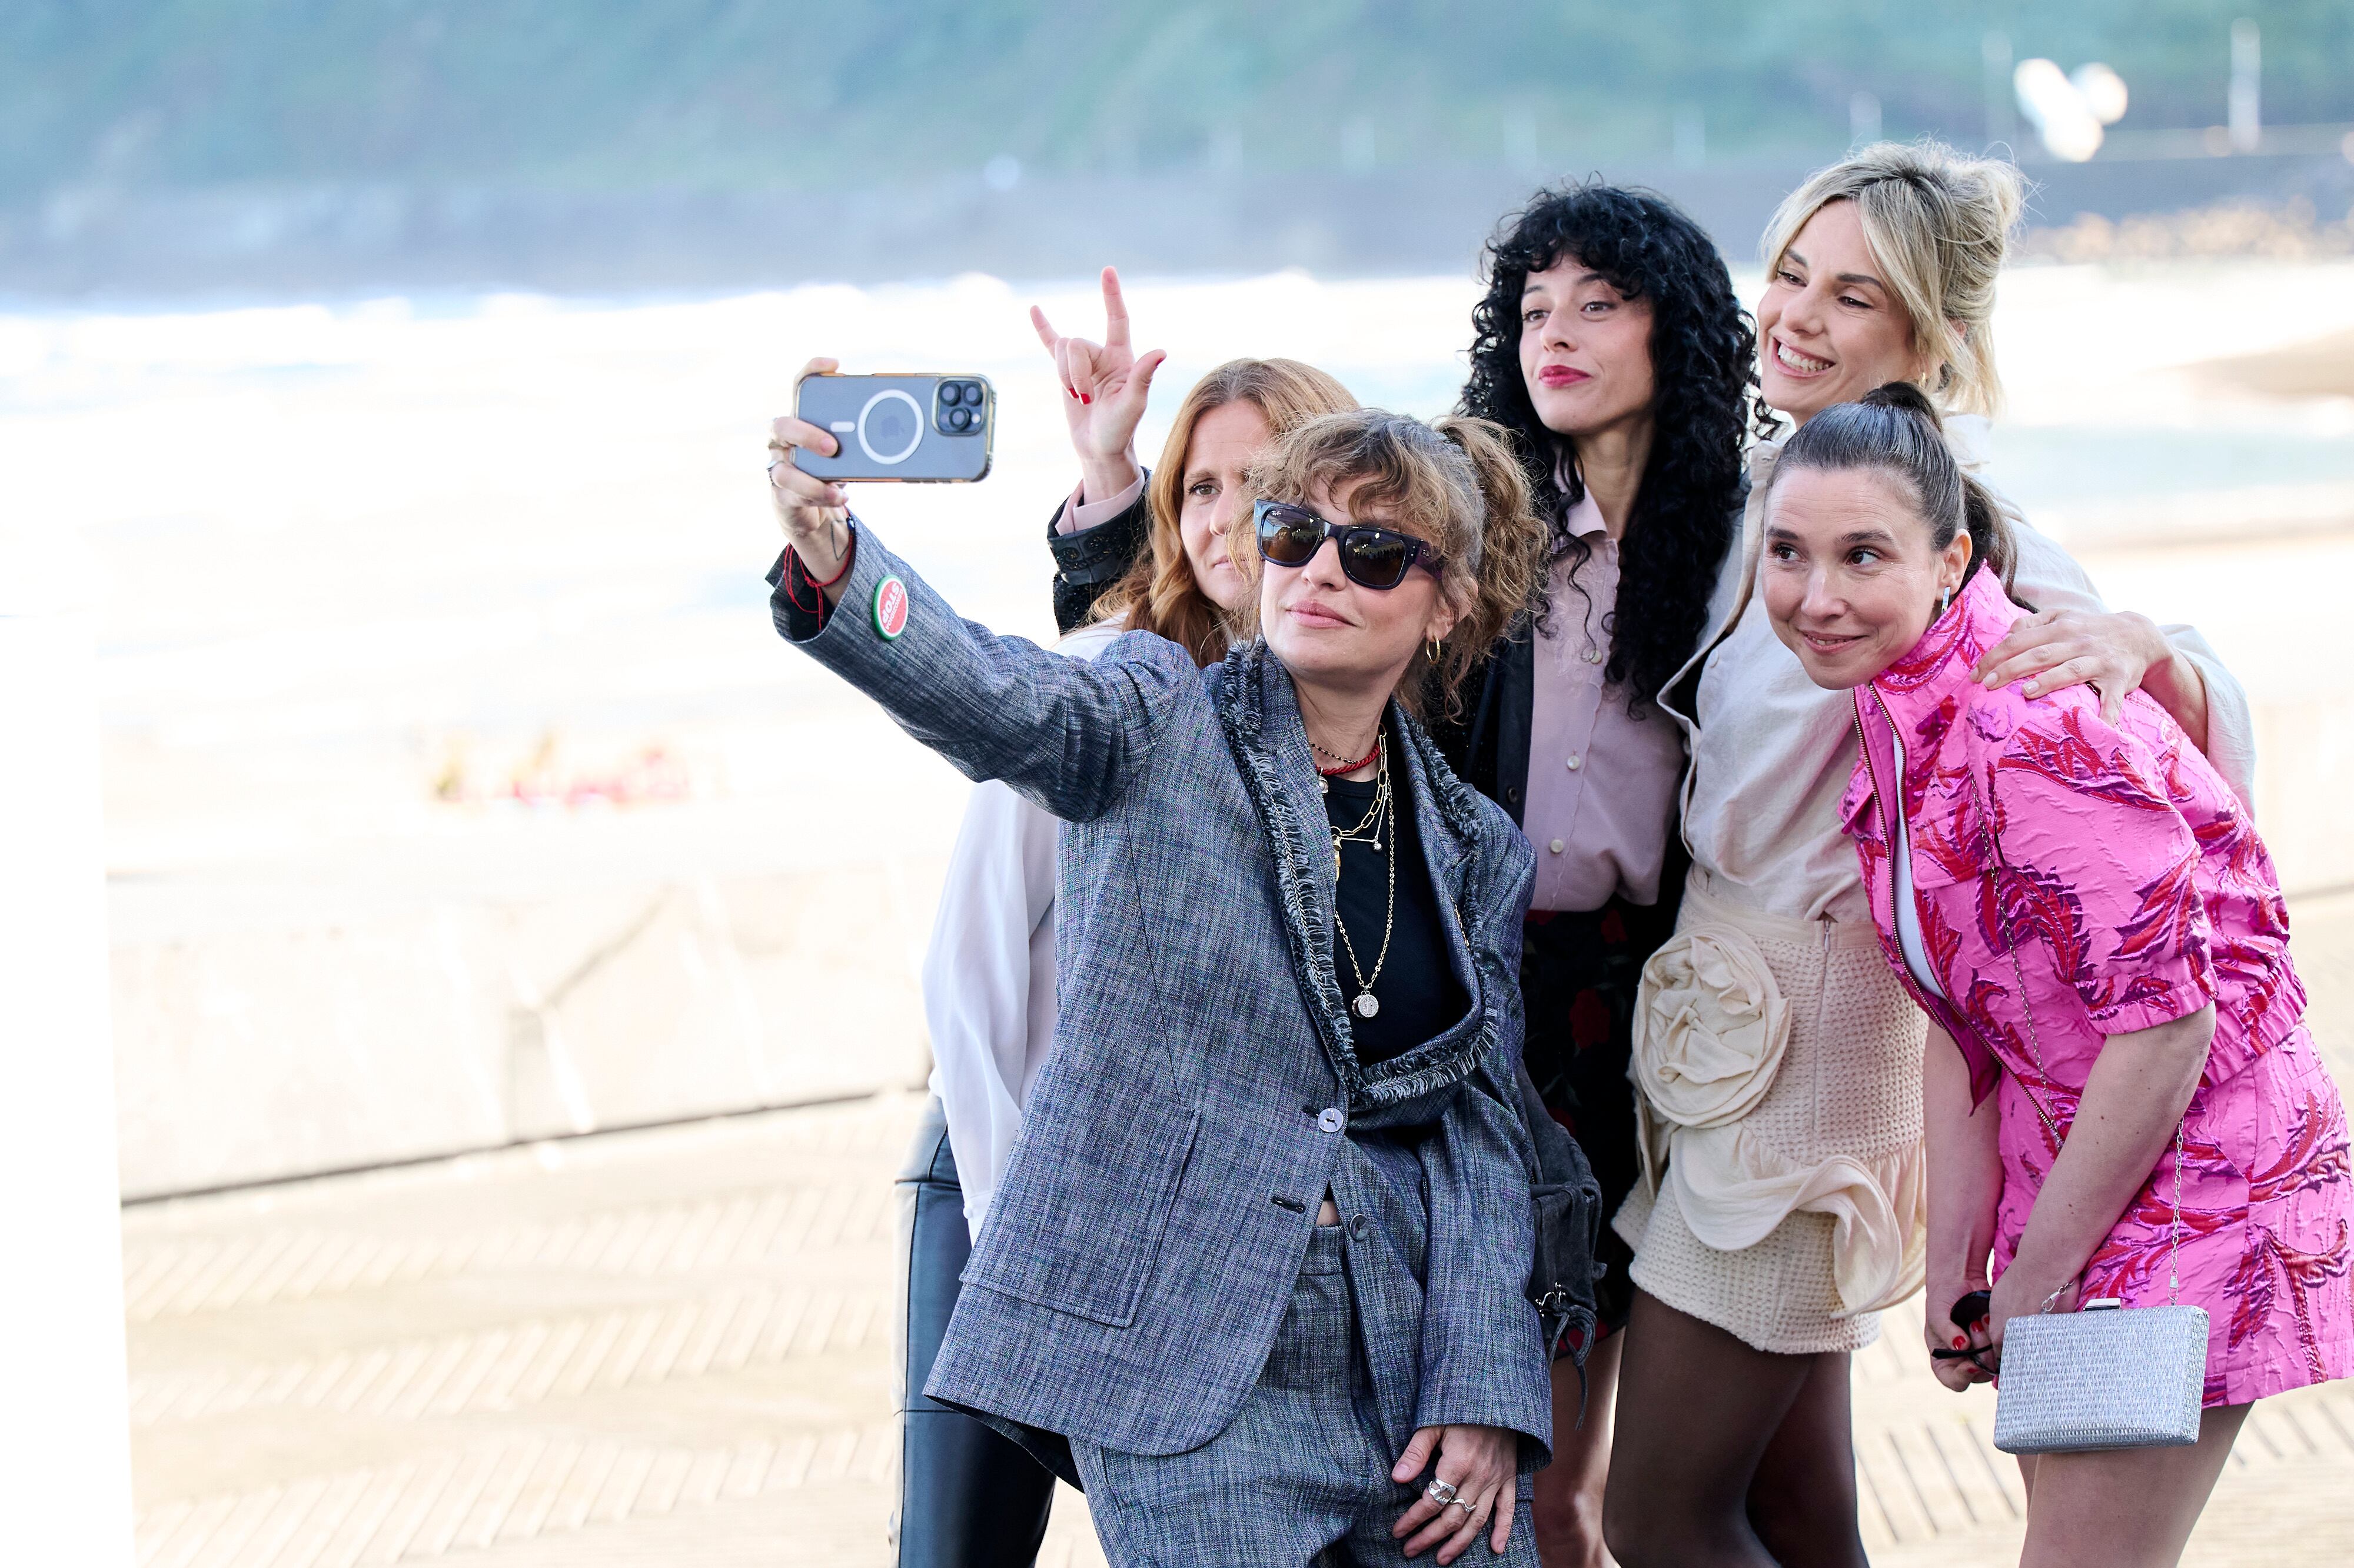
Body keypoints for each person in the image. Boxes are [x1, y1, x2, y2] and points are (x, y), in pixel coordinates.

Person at [769, 379, 1574, 1566]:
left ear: (1446, 602)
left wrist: (1487, 1388)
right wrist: (833, 559)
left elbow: (1481, 1140)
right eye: (1293, 532)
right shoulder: (1153, 720)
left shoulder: (1471, 849)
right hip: (1183, 1363)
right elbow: (992, 692)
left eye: (1372, 551)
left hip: (1411, 1381)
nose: (1318, 570)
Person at [1601, 140, 2260, 1568]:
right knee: (1791, 1509)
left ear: (1930, 338)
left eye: (1851, 295)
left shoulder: (1954, 520)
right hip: (1717, 1020)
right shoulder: (1766, 487)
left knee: (1653, 1515)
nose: (1796, 315)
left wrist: (2148, 645)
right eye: (1787, 274)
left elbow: (2164, 726)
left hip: (1816, 1034)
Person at [1764, 381, 2349, 1567]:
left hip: (2195, 1179)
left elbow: (2166, 1025)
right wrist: (1955, 1264)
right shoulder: (1897, 708)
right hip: (2079, 1164)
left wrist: (2034, 1273)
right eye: (1786, 552)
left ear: (1950, 560)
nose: (1814, 596)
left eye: (1859, 554)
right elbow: (1956, 1015)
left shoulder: (2020, 724)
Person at [895, 274, 1358, 1568]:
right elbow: (969, 980)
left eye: (1259, 483)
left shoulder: (1353, 731)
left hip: (1188, 1230)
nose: (1223, 517)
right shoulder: (1108, 681)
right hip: (1005, 1175)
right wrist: (1022, 1247)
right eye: (1197, 486)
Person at [1444, 181, 1753, 1567]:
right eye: (1530, 309)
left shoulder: (1748, 546)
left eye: (1596, 302)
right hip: (1477, 995)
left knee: (1578, 1470)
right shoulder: (1476, 523)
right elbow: (1251, 582)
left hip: (1660, 1017)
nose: (1552, 333)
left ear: (1668, 329)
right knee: (1482, 1453)